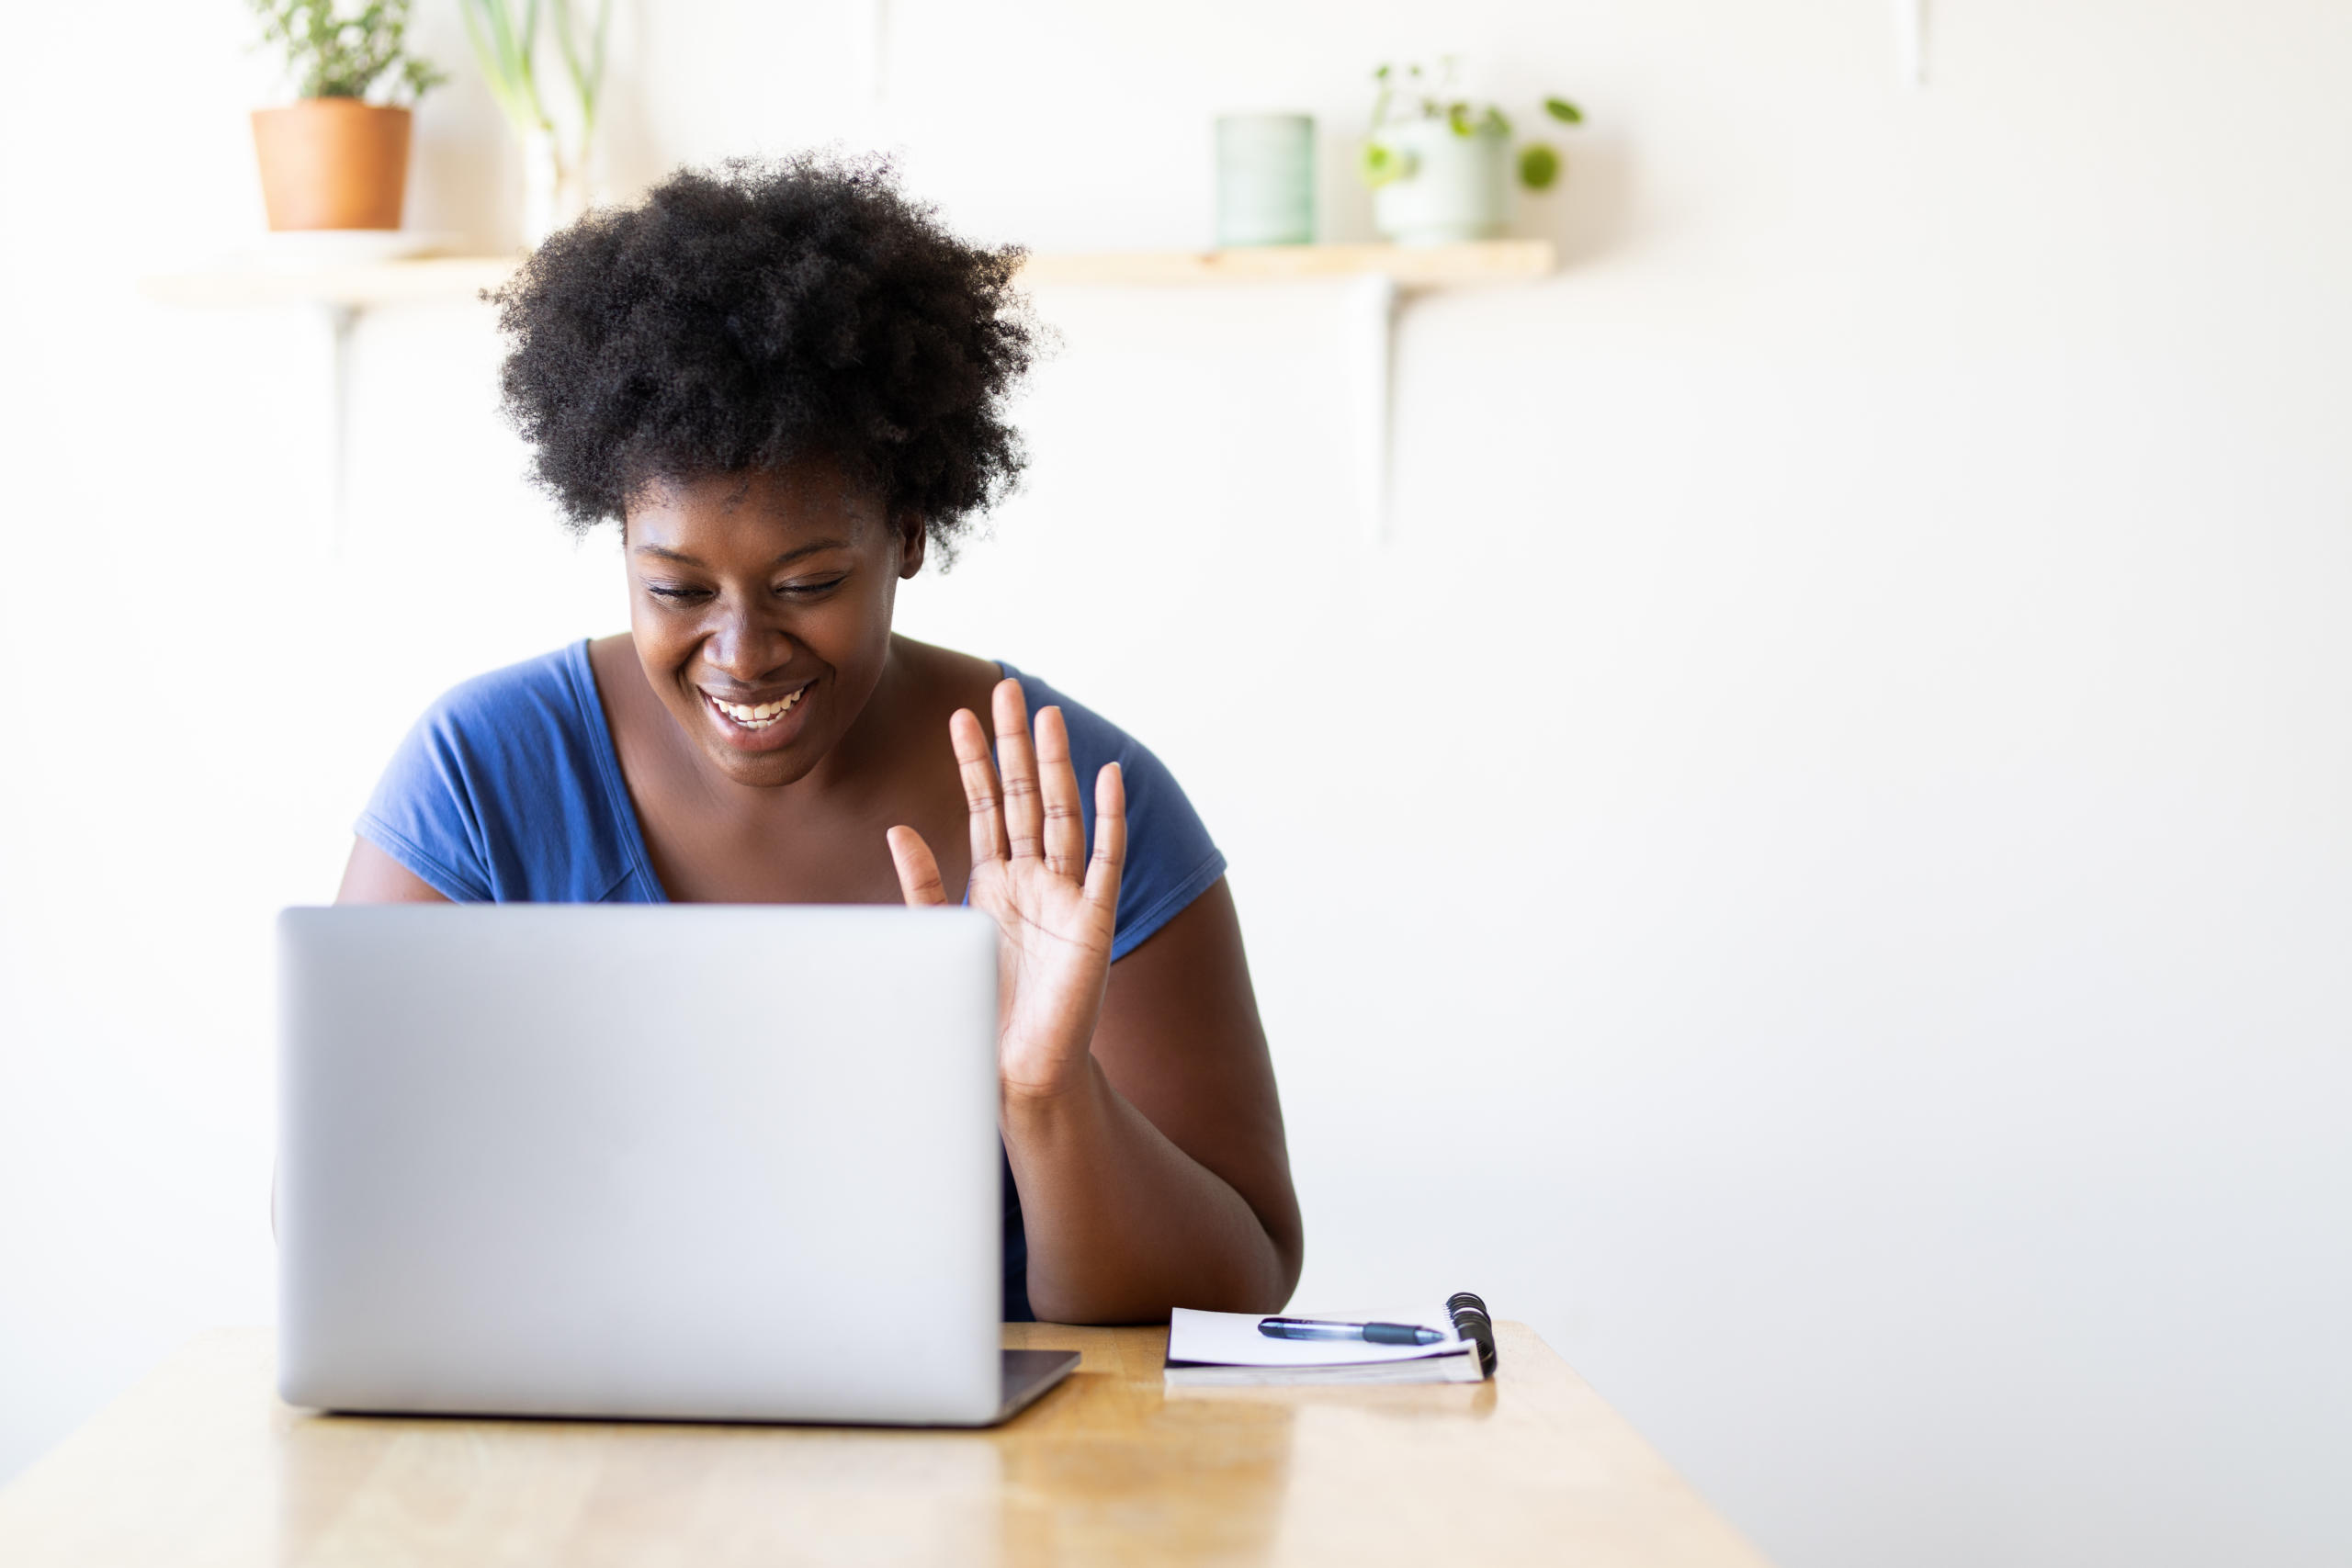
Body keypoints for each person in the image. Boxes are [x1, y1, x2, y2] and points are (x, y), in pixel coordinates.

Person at [336, 154, 1303, 1325]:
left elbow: (1235, 1288)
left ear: (908, 534)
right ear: (620, 543)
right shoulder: (483, 778)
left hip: (1000, 1499)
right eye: (678, 589)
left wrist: (1046, 1095)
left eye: (807, 582)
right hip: (574, 1477)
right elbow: (346, 1225)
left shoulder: (1080, 808)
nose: (741, 652)